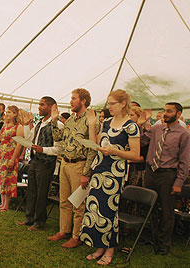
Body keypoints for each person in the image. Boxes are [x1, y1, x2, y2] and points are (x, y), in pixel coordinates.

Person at [80, 89, 140, 265]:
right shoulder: (106, 122)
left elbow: (136, 154)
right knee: (95, 209)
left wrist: (115, 151)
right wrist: (92, 125)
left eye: (112, 103)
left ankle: (110, 249)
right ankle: (99, 246)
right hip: (99, 170)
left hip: (114, 175)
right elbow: (96, 145)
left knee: (108, 211)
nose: (109, 107)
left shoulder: (131, 126)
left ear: (122, 104)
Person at [47, 88, 100, 249]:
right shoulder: (70, 120)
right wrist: (54, 121)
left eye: (74, 98)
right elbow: (57, 138)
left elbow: (93, 148)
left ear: (83, 101)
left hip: (80, 164)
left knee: (78, 203)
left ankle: (77, 236)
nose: (71, 101)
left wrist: (86, 172)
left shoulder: (91, 121)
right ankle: (64, 231)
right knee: (64, 201)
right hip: (65, 163)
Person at [138, 102, 190, 255]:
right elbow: (141, 142)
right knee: (149, 207)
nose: (165, 113)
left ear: (178, 114)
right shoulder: (156, 128)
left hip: (167, 175)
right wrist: (141, 125)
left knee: (167, 211)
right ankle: (152, 237)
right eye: (164, 110)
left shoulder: (183, 134)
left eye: (169, 111)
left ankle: (164, 244)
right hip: (151, 172)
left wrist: (179, 182)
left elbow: (185, 161)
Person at [16, 97, 59, 230]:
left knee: (41, 193)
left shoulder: (57, 125)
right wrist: (26, 125)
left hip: (46, 163)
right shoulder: (40, 123)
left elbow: (59, 148)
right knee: (32, 190)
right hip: (34, 161)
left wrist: (43, 149)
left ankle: (39, 221)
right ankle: (29, 218)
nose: (39, 107)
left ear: (51, 107)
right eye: (39, 104)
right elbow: (30, 139)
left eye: (42, 105)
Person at [0, 105, 23, 212]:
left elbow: (19, 144)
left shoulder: (18, 127)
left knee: (7, 178)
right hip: (1, 154)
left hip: (10, 155)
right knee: (1, 178)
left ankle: (6, 205)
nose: (7, 114)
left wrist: (13, 159)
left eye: (9, 112)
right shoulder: (4, 125)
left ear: (15, 114)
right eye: (7, 112)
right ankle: (2, 203)